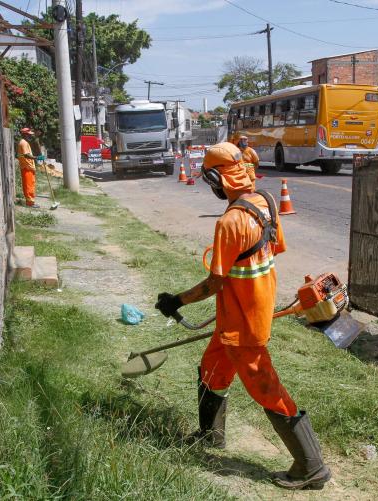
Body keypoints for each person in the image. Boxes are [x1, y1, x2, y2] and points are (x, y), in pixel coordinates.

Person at [155, 142, 331, 490]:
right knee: (212, 369)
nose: (213, 188)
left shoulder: (231, 221)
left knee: (267, 388)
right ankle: (210, 437)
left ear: (219, 177)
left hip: (244, 324)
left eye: (211, 180)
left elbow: (215, 282)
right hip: (245, 312)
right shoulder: (264, 201)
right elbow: (274, 248)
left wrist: (176, 301)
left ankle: (311, 466)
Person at [16, 128, 43, 208]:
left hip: (28, 167)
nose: (30, 136)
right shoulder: (23, 143)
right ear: (25, 134)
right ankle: (30, 203)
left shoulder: (24, 142)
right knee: (29, 185)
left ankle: (30, 202)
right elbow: (26, 155)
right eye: (29, 135)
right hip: (26, 167)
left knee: (29, 184)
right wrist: (36, 158)